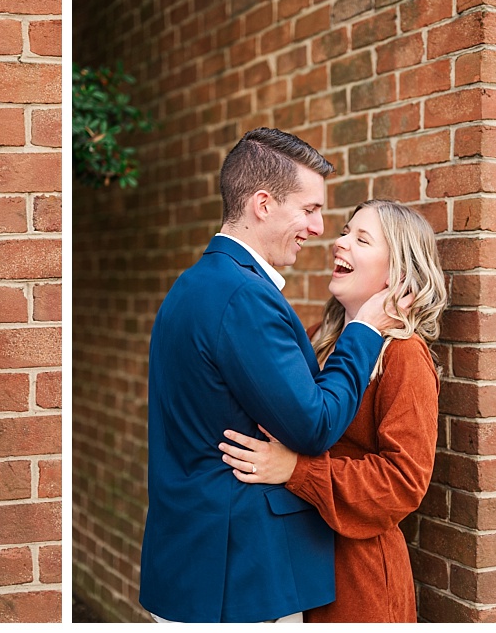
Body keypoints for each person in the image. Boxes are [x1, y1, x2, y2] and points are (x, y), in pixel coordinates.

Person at [139, 127, 410, 623]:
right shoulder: (243, 297)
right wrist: (365, 330)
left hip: (197, 564)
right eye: (309, 210)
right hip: (238, 578)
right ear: (263, 204)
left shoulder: (195, 284)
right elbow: (314, 424)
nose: (319, 228)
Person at [218, 199, 447, 622]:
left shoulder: (403, 356)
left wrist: (297, 470)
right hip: (298, 565)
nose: (339, 243)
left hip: (357, 584)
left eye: (361, 239)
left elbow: (403, 482)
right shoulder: (314, 339)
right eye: (345, 232)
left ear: (399, 274)